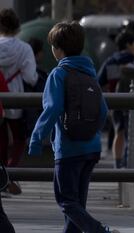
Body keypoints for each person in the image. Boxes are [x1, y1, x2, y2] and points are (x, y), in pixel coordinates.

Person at [28, 21, 117, 233]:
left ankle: (99, 231)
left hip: (68, 149)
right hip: (92, 148)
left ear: (57, 49)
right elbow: (103, 111)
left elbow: (52, 109)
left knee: (66, 201)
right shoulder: (90, 73)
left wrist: (36, 139)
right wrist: (90, 132)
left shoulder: (58, 74)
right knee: (78, 205)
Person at [0, 8, 38, 195]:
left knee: (0, 139)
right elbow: (31, 77)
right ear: (17, 27)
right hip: (16, 97)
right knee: (19, 138)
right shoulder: (24, 48)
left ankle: (0, 177)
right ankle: (10, 172)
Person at [97, 31, 134, 168]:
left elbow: (99, 81)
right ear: (128, 44)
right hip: (133, 102)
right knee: (133, 134)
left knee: (119, 131)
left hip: (115, 102)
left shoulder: (110, 61)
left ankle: (117, 164)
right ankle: (128, 163)